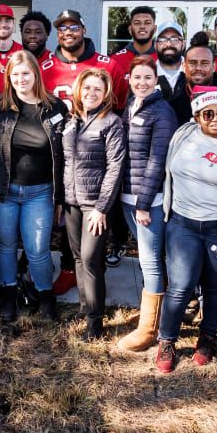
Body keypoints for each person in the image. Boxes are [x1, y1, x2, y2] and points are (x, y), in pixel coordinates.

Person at [155, 87, 217, 373]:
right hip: (181, 223)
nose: (216, 119)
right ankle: (167, 341)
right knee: (180, 286)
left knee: (215, 287)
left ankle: (207, 338)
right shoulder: (183, 135)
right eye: (208, 113)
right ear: (197, 115)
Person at [0, 50, 68, 322]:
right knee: (6, 246)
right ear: (8, 77)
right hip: (5, 192)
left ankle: (45, 296)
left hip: (41, 192)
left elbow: (65, 154)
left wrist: (61, 197)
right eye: (15, 74)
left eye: (26, 73)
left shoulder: (55, 108)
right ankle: (8, 293)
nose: (21, 79)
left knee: (37, 249)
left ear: (36, 74)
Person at [115, 56, 179, 351]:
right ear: (129, 79)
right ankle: (155, 316)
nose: (142, 82)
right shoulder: (131, 106)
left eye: (147, 78)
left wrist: (143, 203)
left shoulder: (162, 111)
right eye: (136, 77)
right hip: (129, 198)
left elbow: (157, 161)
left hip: (148, 201)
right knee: (147, 260)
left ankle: (149, 330)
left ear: (156, 81)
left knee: (151, 262)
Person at [61, 68, 126, 339]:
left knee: (90, 259)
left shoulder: (111, 122)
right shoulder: (71, 119)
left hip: (95, 204)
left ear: (106, 94)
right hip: (71, 201)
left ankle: (95, 321)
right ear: (79, 90)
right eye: (87, 88)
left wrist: (101, 208)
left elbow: (115, 167)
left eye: (97, 89)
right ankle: (86, 305)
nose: (91, 93)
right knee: (77, 257)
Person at [39, 9, 129, 109]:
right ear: (57, 34)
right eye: (62, 29)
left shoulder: (109, 66)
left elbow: (121, 107)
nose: (68, 32)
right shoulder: (43, 70)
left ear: (84, 31)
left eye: (74, 28)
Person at [153, 22, 185, 95]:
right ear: (155, 45)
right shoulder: (147, 74)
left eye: (174, 39)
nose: (168, 44)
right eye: (162, 40)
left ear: (183, 44)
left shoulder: (193, 72)